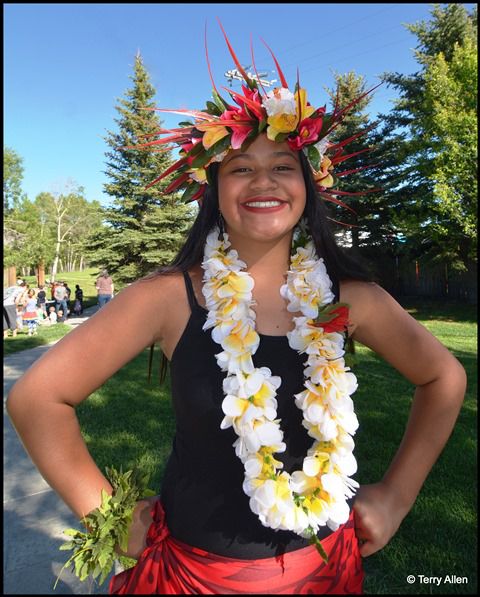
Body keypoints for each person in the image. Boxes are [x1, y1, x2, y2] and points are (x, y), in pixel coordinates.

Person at [6, 26, 466, 596]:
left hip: (325, 573)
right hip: (192, 577)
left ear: (308, 184)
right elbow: (36, 397)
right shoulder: (168, 298)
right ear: (215, 188)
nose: (263, 181)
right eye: (241, 168)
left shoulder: (349, 301)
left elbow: (443, 376)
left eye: (283, 166)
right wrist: (106, 514)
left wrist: (397, 496)